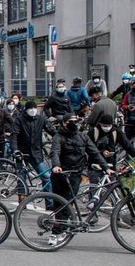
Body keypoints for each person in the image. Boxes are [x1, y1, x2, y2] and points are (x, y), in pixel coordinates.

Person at [49, 114, 111, 245]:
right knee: (58, 204)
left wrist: (106, 168)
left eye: (76, 121)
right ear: (64, 123)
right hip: (59, 175)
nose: (74, 124)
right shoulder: (58, 137)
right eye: (71, 122)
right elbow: (55, 152)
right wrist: (56, 166)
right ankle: (58, 230)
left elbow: (94, 152)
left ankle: (59, 230)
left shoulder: (83, 137)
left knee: (67, 202)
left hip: (75, 175)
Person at [13, 101, 51, 199]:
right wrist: (15, 150)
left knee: (46, 177)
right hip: (21, 153)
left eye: (35, 108)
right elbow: (14, 135)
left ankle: (50, 203)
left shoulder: (41, 119)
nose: (33, 110)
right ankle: (22, 201)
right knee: (21, 178)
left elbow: (51, 131)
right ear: (26, 110)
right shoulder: (19, 120)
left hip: (36, 153)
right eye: (30, 108)